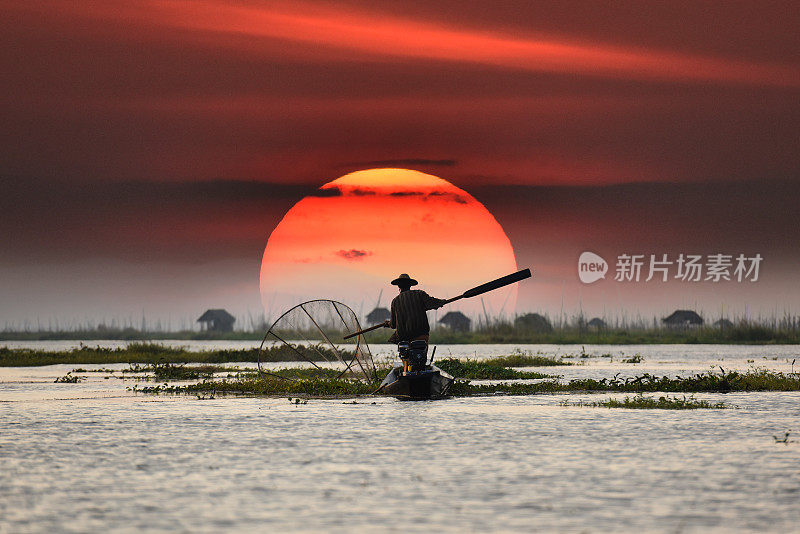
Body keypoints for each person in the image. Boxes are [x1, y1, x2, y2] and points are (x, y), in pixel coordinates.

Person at [383, 273, 446, 372]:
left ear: (399, 286)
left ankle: (405, 369)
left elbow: (393, 324)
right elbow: (432, 303)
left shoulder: (395, 301)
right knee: (421, 354)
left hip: (404, 337)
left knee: (405, 355)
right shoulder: (419, 294)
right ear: (410, 285)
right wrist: (441, 302)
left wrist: (388, 324)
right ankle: (420, 365)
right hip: (421, 334)